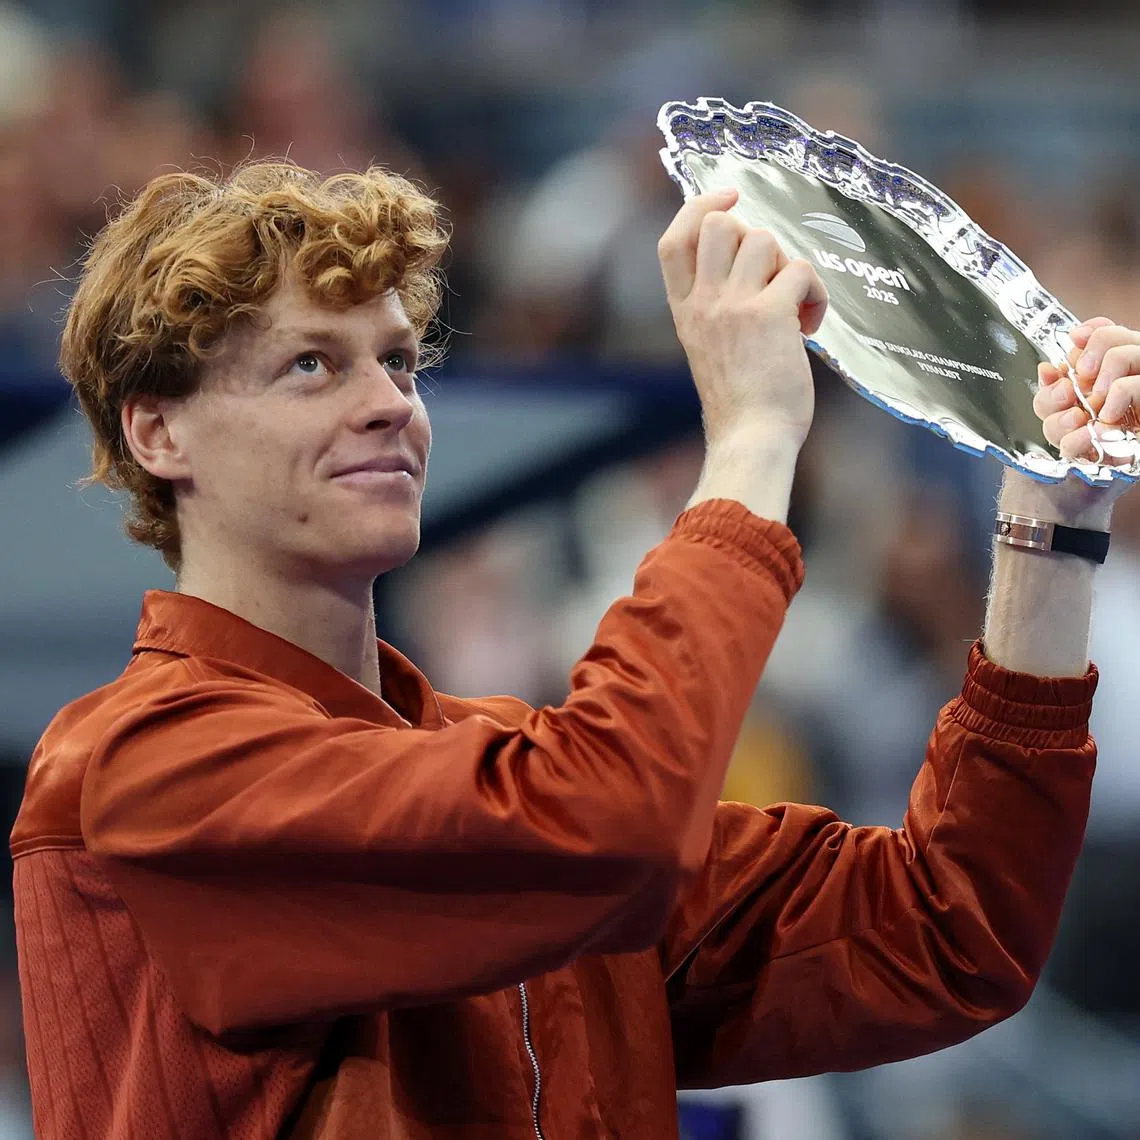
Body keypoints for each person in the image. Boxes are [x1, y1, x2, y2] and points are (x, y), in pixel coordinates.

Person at [8, 161, 1136, 1140]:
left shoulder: (512, 774)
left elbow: (950, 926)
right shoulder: (137, 770)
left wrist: (1052, 521)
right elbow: (606, 821)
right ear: (158, 431)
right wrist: (747, 439)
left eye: (399, 362)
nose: (388, 405)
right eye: (312, 364)